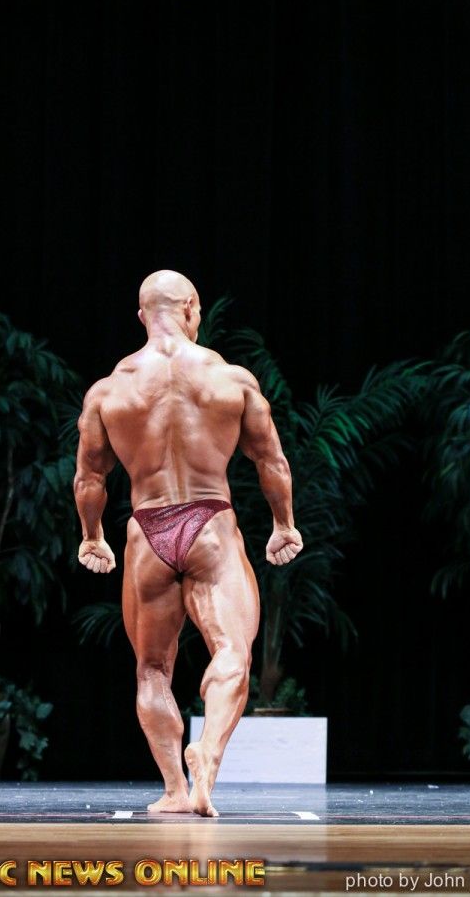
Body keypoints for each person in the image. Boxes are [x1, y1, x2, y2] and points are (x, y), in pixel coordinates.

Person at [73, 270, 303, 817]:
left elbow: (89, 478)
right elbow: (271, 460)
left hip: (147, 531)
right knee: (232, 651)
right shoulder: (230, 380)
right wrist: (284, 524)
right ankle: (208, 762)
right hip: (210, 525)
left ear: (142, 316)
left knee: (152, 671)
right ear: (192, 309)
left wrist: (91, 536)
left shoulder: (110, 390)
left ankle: (175, 790)